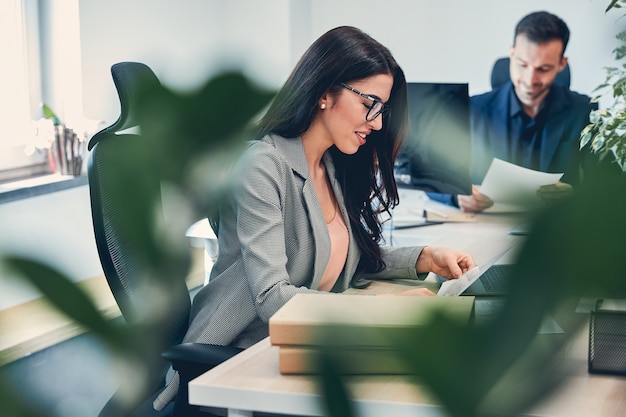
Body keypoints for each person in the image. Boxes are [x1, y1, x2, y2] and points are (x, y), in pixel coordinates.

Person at [153, 25, 475, 411]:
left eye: (382, 110)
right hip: (240, 355)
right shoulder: (262, 166)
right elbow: (273, 298)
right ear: (325, 93)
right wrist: (384, 310)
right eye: (370, 104)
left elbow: (347, 259)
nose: (376, 123)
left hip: (297, 348)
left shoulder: (331, 167)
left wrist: (423, 258)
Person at [432, 11, 598, 212]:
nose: (529, 80)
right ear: (511, 53)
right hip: (483, 228)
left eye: (543, 69)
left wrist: (575, 197)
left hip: (556, 228)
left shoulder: (584, 110)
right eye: (522, 65)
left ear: (561, 64)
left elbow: (605, 183)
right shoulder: (473, 108)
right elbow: (433, 176)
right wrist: (456, 196)